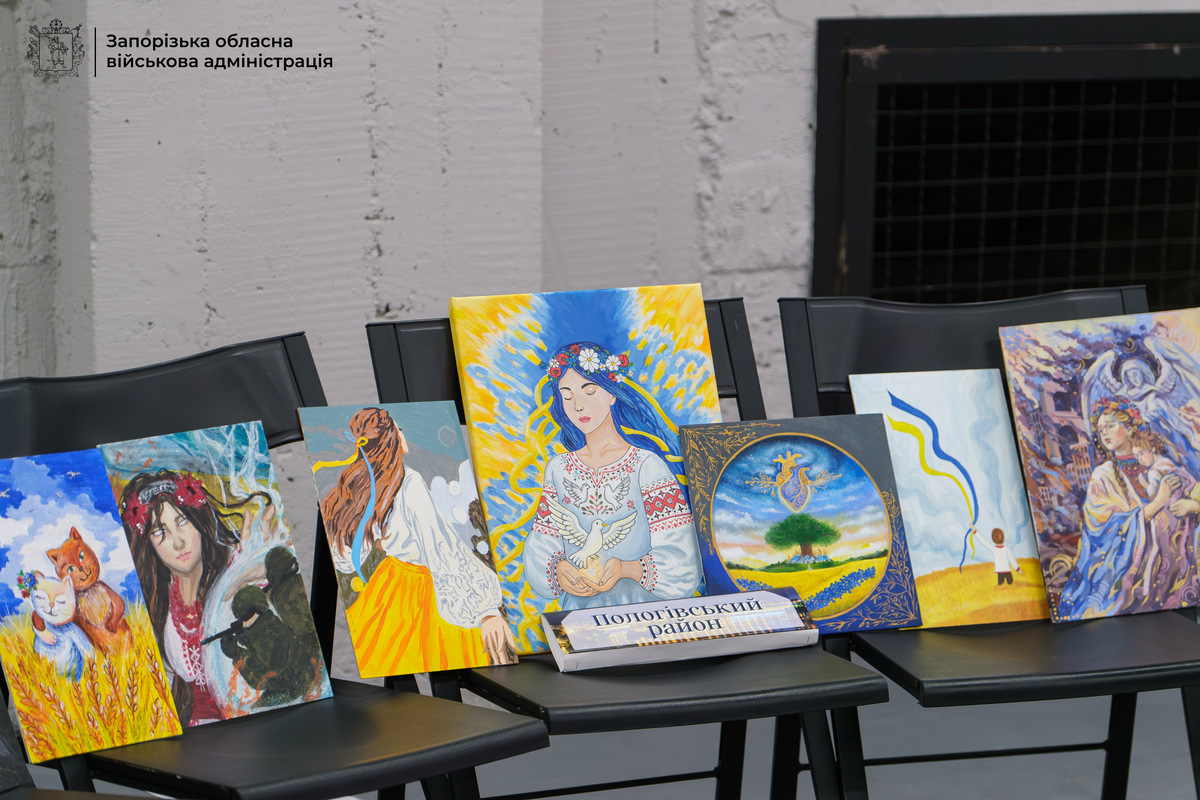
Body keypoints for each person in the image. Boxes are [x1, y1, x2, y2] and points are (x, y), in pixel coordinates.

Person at [318, 407, 516, 675]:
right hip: (418, 590)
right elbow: (441, 549)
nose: (403, 435)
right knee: (442, 652)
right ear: (391, 438)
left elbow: (346, 558)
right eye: (399, 430)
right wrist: (486, 610)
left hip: (386, 587)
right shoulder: (408, 481)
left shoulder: (358, 484)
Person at [523, 341, 702, 610]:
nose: (578, 405)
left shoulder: (646, 465)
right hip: (579, 616)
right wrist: (558, 568)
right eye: (566, 395)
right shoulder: (558, 468)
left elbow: (685, 558)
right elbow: (543, 543)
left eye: (589, 391)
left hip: (646, 615)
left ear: (611, 394)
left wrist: (626, 569)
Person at [119, 470, 269, 726]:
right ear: (148, 545)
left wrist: (248, 575)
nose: (178, 543)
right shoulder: (158, 605)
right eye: (160, 532)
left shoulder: (235, 573)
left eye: (182, 522)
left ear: (199, 520)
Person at [1057, 400, 1190, 619]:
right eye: (1100, 429)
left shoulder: (1157, 463)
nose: (1104, 433)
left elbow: (1189, 490)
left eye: (1110, 425)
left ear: (1129, 428)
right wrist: (1159, 502)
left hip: (1173, 556)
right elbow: (1105, 528)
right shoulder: (1103, 475)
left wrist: (1192, 505)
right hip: (1128, 566)